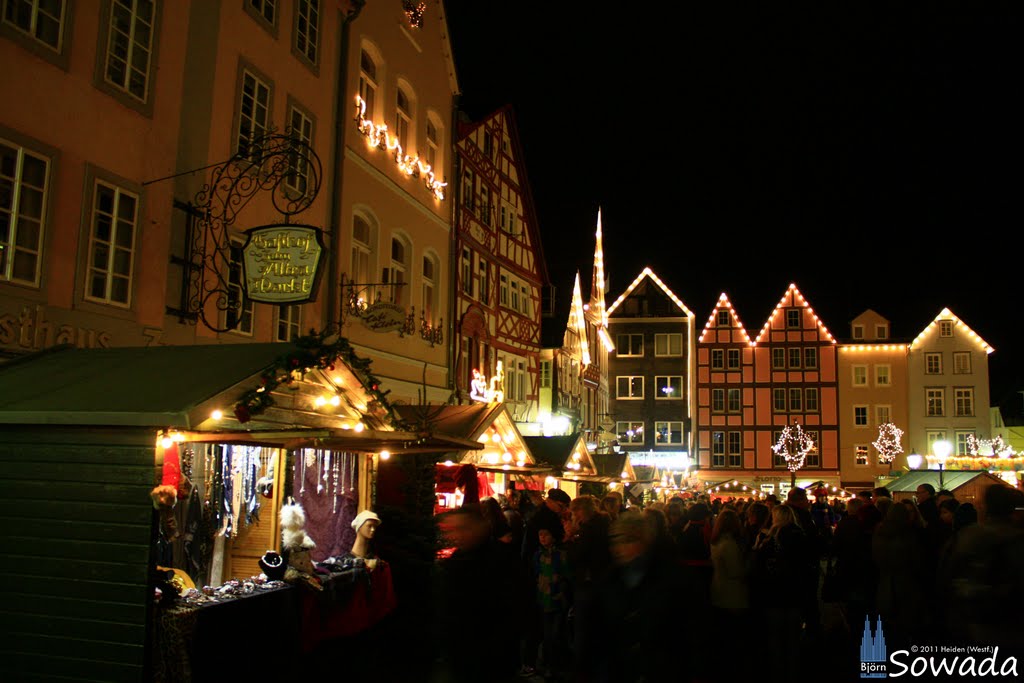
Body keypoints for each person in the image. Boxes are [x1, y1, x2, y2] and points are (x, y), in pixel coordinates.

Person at [531, 527, 571, 678]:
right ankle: (550, 664)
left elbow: (566, 574)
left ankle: (555, 664)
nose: (542, 538)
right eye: (540, 535)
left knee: (555, 633)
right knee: (548, 633)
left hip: (556, 596)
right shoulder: (538, 555)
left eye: (546, 535)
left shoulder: (560, 555)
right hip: (544, 597)